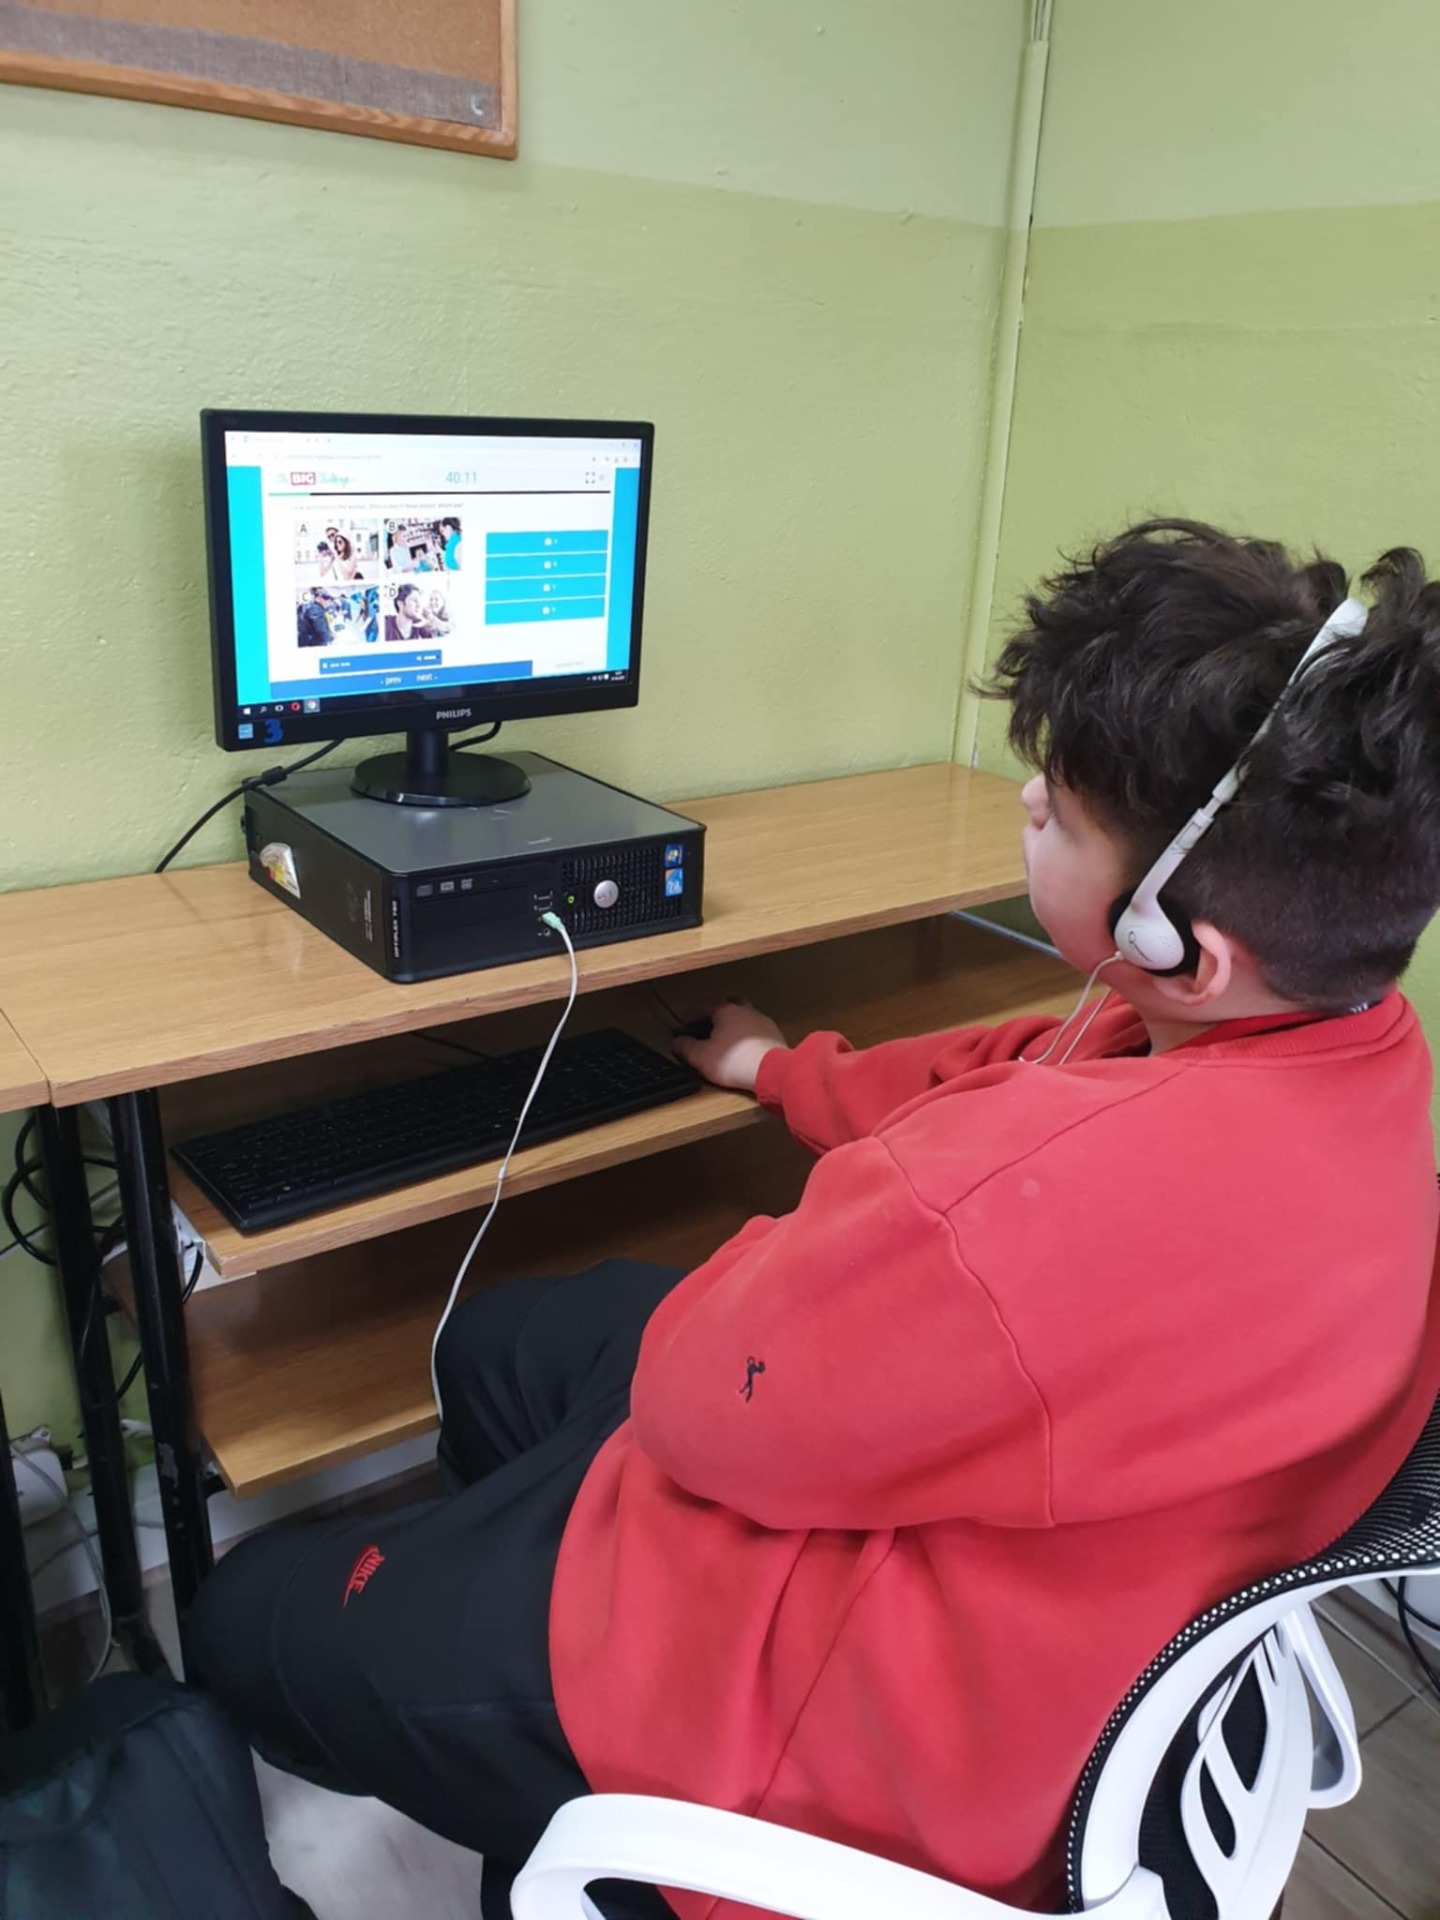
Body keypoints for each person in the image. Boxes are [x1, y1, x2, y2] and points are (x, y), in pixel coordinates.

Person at [192, 522, 1440, 1920]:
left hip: (830, 1718)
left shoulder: (1003, 1222)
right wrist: (779, 1071)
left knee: (246, 1618)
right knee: (496, 1344)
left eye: (1065, 813)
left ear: (1177, 946)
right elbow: (1010, 1066)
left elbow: (692, 1407)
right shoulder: (1352, 1052)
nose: (1030, 801)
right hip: (1052, 1594)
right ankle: (494, 1616)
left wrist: (826, 1233)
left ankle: (543, 1753)